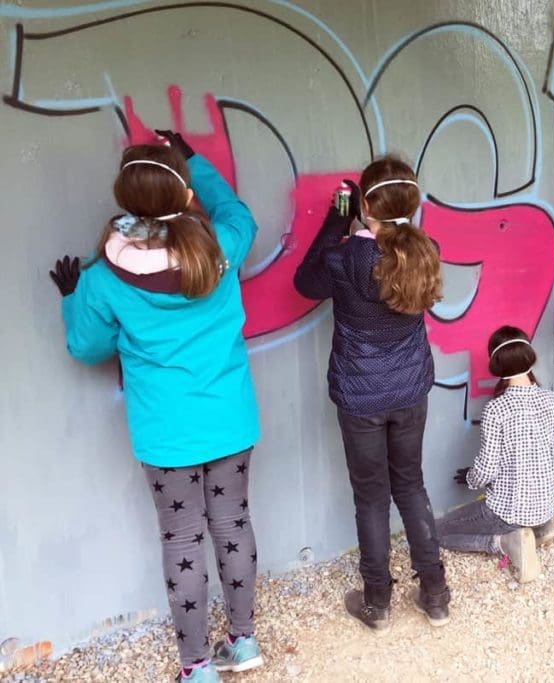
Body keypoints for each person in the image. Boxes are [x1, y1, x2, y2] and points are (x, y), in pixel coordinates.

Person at [50, 133, 263, 682]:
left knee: (183, 542)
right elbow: (239, 213)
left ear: (126, 198)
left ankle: (196, 669)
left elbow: (85, 347)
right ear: (185, 192)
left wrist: (73, 299)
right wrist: (193, 159)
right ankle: (244, 643)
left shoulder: (102, 278)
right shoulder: (220, 248)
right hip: (230, 422)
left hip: (166, 437)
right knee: (233, 525)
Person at [293, 155, 450, 631]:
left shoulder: (345, 258)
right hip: (410, 390)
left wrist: (334, 222)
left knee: (371, 497)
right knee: (411, 485)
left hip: (360, 399)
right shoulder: (427, 249)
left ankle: (377, 603)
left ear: (364, 203)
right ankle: (435, 595)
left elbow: (304, 283)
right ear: (413, 202)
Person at [437, 326, 554, 583]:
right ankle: (540, 528)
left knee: (436, 532)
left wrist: (470, 479)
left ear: (496, 363)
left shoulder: (497, 409)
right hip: (547, 504)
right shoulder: (550, 399)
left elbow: (488, 468)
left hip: (508, 509)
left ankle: (505, 542)